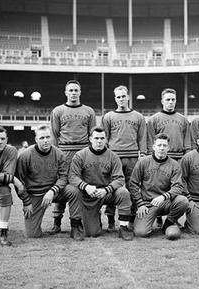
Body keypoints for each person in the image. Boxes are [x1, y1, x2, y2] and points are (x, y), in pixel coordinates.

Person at [15, 125, 83, 240]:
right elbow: (19, 182)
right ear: (36, 139)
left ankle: (75, 226)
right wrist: (26, 202)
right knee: (32, 235)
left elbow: (63, 177)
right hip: (35, 194)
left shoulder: (59, 154)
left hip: (54, 192)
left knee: (74, 191)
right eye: (42, 138)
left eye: (48, 137)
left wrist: (53, 190)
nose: (46, 140)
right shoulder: (25, 156)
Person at [68, 127, 134, 241]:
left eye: (102, 138)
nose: (99, 141)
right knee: (92, 233)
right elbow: (73, 177)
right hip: (88, 195)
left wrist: (106, 190)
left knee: (123, 193)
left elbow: (119, 179)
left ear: (106, 140)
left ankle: (124, 227)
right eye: (96, 138)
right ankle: (94, 218)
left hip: (106, 193)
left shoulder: (113, 156)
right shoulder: (80, 155)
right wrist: (86, 187)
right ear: (90, 139)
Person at [50, 80, 96, 235]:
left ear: (80, 92)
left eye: (76, 90)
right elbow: (54, 135)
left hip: (83, 151)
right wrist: (56, 156)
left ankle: (81, 222)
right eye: (70, 90)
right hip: (64, 151)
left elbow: (93, 135)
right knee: (63, 185)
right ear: (66, 92)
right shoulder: (58, 111)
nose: (73, 93)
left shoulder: (89, 111)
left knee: (83, 186)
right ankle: (57, 222)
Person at [101, 85, 147, 230]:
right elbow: (105, 138)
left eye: (123, 96)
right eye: (118, 97)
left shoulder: (138, 117)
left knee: (133, 188)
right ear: (115, 99)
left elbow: (142, 138)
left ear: (128, 97)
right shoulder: (108, 116)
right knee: (112, 188)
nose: (121, 99)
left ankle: (131, 218)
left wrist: (143, 154)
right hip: (114, 157)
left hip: (132, 157)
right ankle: (110, 220)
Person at [130, 133, 189, 238]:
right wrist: (140, 204)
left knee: (183, 201)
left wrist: (164, 197)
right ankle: (145, 221)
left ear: (168, 148)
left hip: (166, 202)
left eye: (164, 146)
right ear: (153, 147)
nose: (162, 148)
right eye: (159, 145)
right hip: (148, 204)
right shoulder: (143, 162)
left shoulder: (174, 165)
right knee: (141, 233)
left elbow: (178, 187)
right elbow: (133, 184)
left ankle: (168, 223)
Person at [147, 88, 191, 228]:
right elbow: (150, 142)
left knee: (178, 189)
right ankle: (158, 215)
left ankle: (174, 218)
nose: (170, 102)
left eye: (173, 99)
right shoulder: (154, 119)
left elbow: (188, 143)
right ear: (162, 101)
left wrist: (186, 157)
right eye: (168, 99)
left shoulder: (183, 120)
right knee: (159, 187)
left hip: (178, 158)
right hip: (160, 158)